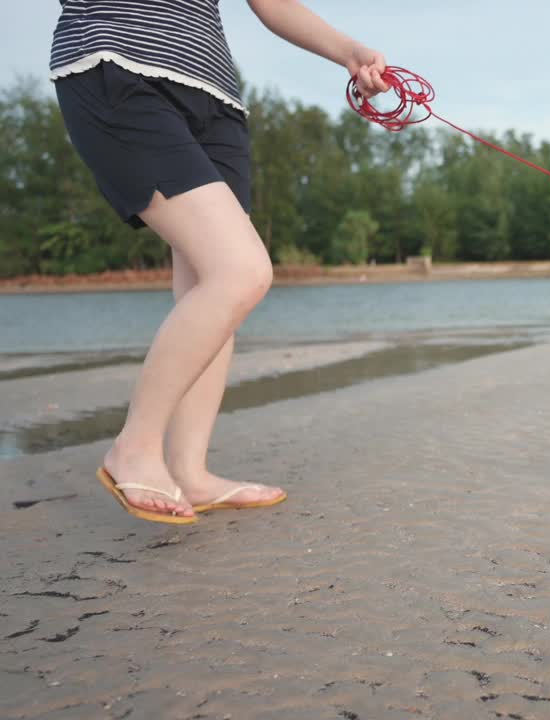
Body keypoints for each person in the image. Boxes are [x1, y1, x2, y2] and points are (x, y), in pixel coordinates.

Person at [50, 0, 390, 523]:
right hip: (117, 64)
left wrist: (351, 52)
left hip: (214, 95)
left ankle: (190, 472)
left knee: (210, 285)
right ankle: (135, 448)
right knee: (240, 271)